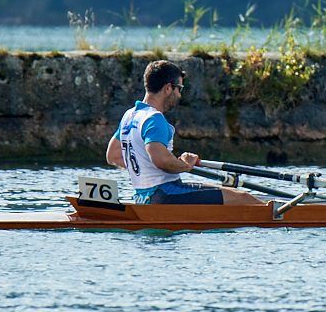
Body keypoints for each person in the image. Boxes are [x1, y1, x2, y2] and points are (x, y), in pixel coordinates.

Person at [106, 60, 263, 205]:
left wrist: (144, 167)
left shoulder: (129, 116)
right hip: (166, 194)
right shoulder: (154, 119)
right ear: (168, 88)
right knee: (242, 198)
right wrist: (185, 165)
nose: (180, 95)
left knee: (229, 196)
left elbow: (113, 156)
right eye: (179, 89)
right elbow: (161, 161)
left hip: (142, 197)